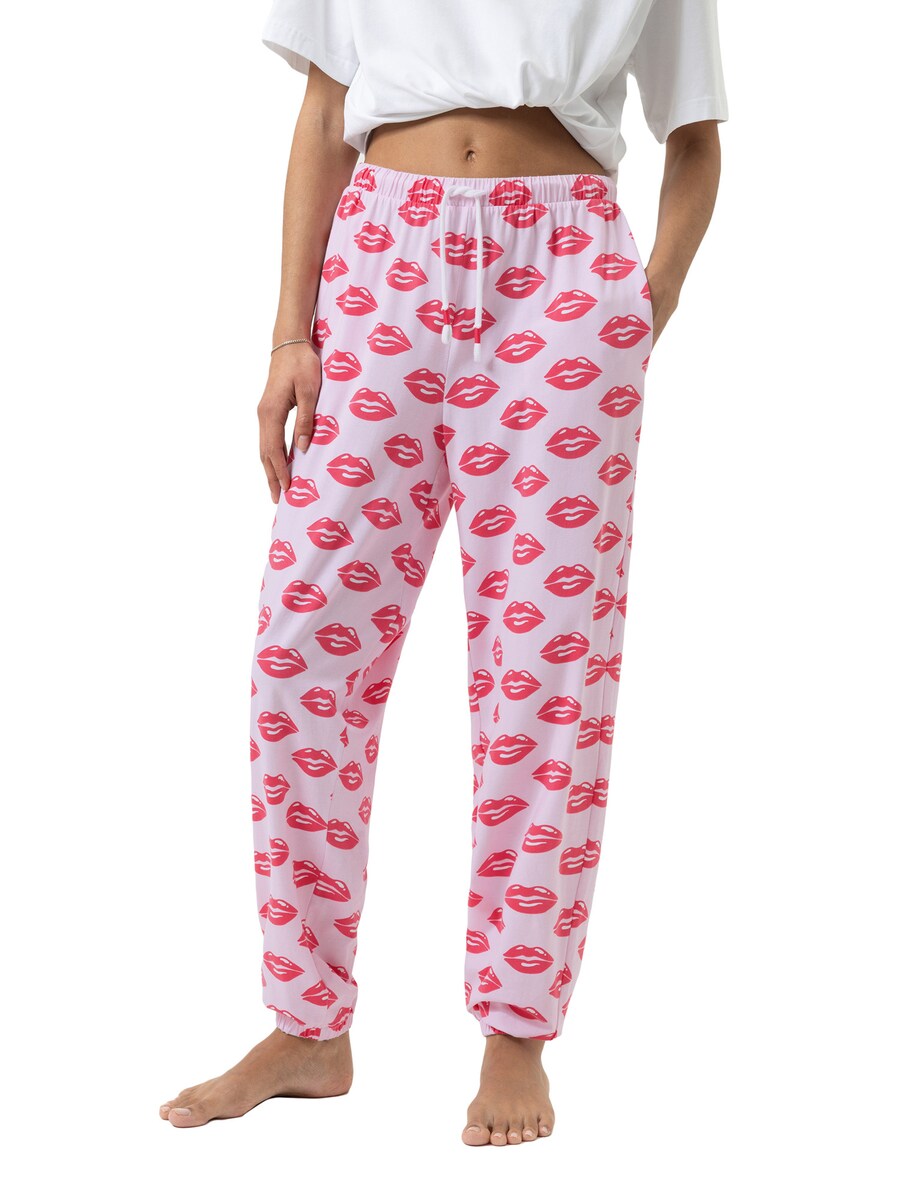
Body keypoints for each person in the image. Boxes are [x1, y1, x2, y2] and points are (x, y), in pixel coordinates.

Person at [159, 0, 728, 1142]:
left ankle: (516, 1034)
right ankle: (308, 1023)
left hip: (565, 280)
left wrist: (641, 305)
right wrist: (288, 335)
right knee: (300, 652)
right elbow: (324, 110)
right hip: (383, 261)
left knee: (545, 670)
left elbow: (696, 136)